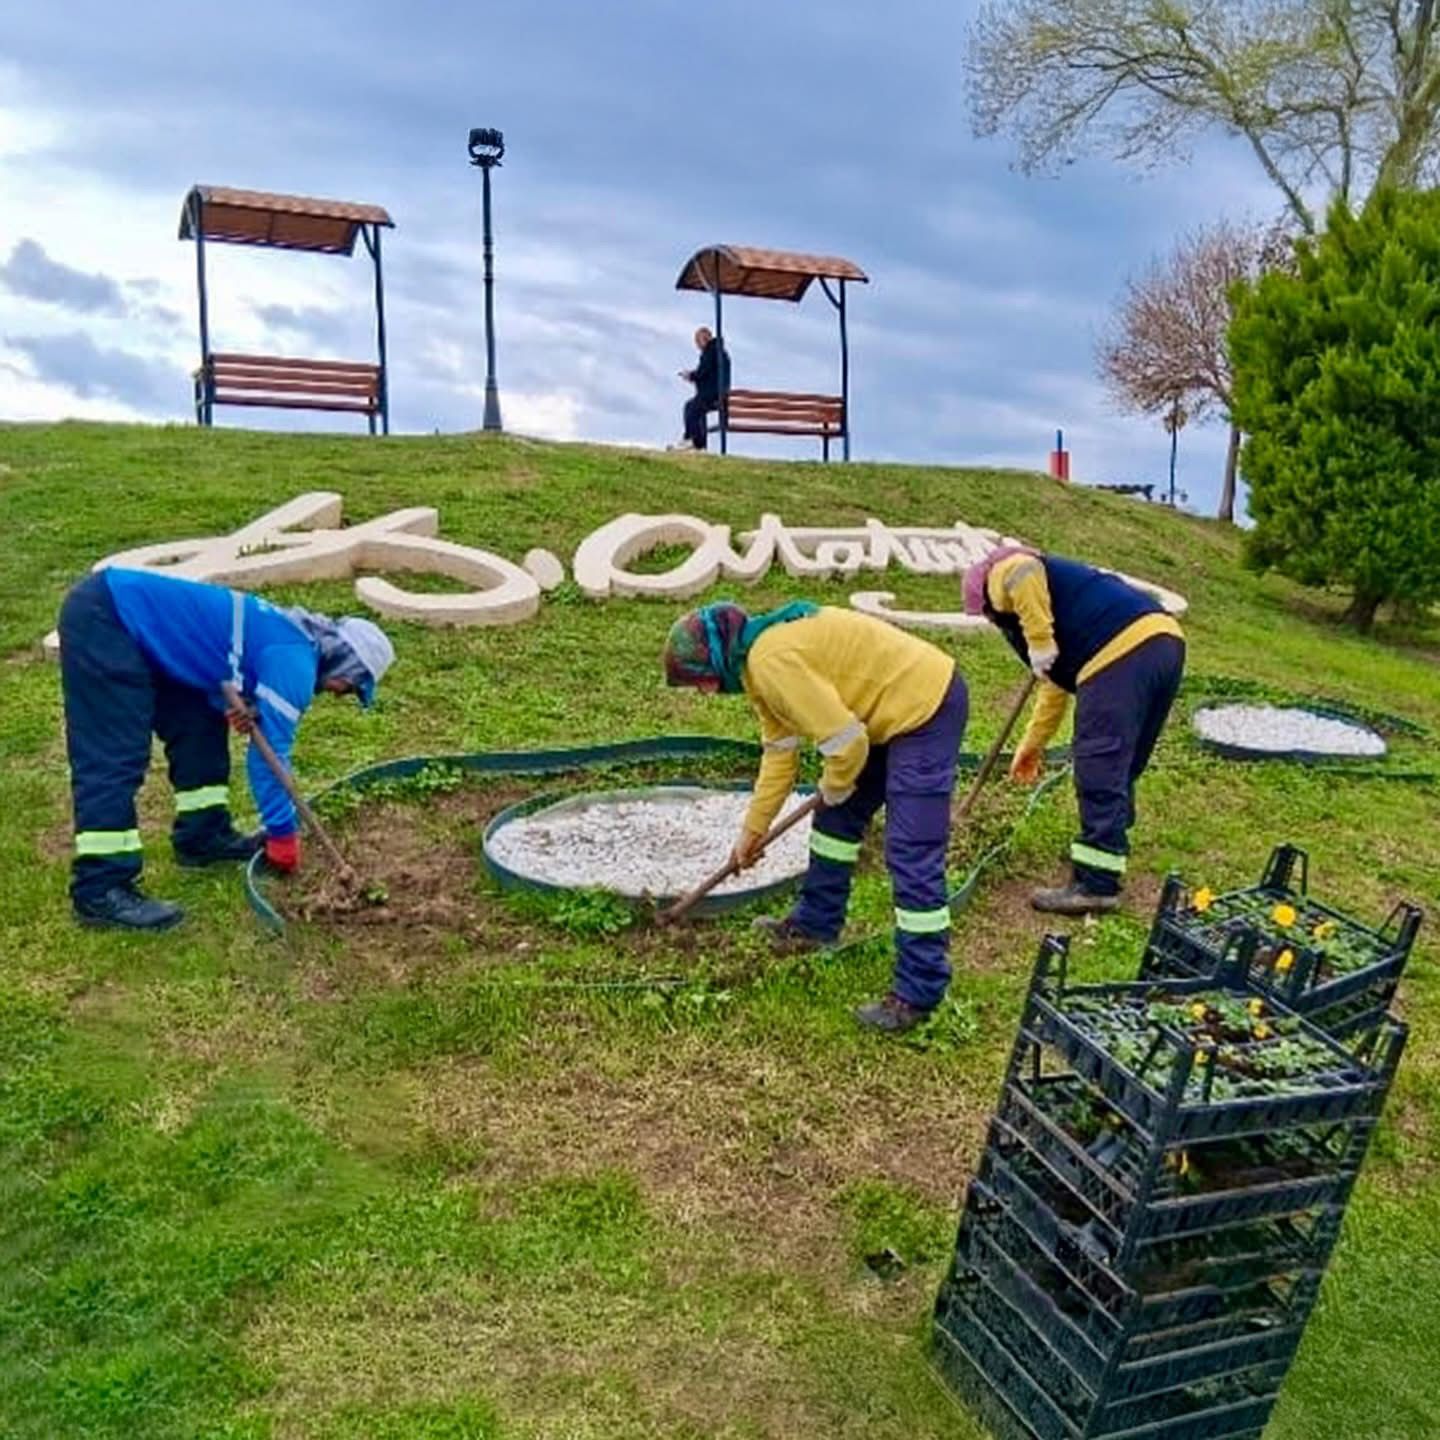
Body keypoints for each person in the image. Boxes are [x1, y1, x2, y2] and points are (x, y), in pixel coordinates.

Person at [663, 601, 968, 1033]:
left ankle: (918, 992)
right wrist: (752, 832)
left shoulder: (770, 661)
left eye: (701, 682)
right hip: (881, 714)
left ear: (716, 661)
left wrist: (836, 785)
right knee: (835, 823)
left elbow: (845, 743)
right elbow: (779, 757)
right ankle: (814, 925)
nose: (703, 693)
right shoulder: (758, 667)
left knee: (910, 850)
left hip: (925, 706)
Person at [57, 567, 395, 932]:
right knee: (114, 753)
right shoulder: (294, 662)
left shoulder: (293, 638)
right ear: (346, 660)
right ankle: (101, 888)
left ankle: (202, 836)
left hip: (150, 631)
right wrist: (282, 834)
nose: (339, 692)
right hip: (110, 616)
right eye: (351, 685)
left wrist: (247, 705)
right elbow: (269, 761)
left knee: (199, 725)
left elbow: (215, 656)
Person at [962, 547, 1185, 914]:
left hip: (1119, 649)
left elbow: (1024, 571)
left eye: (987, 616)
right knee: (1120, 762)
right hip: (1163, 642)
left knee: (1099, 763)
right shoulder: (1060, 614)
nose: (992, 622)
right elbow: (1054, 688)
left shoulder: (999, 576)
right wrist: (1031, 746)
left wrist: (1038, 639)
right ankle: (1108, 845)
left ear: (986, 602)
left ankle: (1097, 884)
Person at [672, 326, 730, 451]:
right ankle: (700, 445)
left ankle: (691, 440)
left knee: (690, 408)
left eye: (698, 341)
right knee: (698, 410)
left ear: (705, 339)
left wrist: (690, 376)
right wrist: (695, 377)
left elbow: (702, 372)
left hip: (712, 395)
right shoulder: (722, 353)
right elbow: (709, 374)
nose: (697, 345)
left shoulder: (710, 351)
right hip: (721, 396)